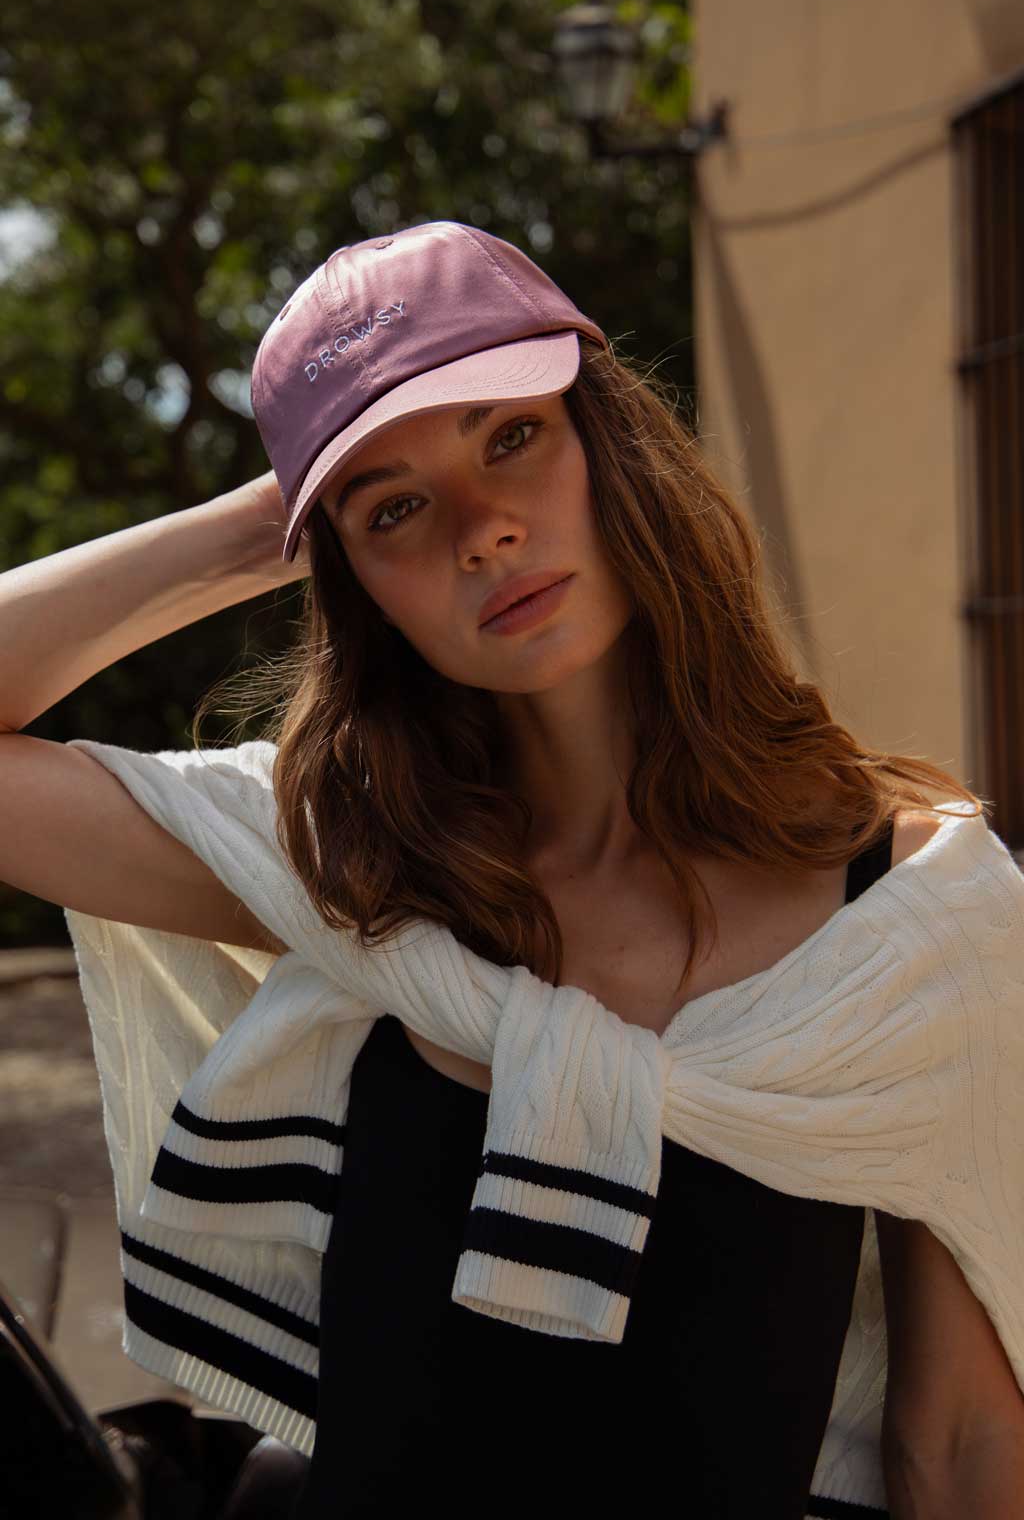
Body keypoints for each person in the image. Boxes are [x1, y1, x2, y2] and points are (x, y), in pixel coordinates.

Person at [2, 220, 1024, 1519]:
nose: (482, 531)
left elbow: (966, 1437)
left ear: (616, 444)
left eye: (512, 436)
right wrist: (275, 508)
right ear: (353, 578)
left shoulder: (922, 914)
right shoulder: (348, 857)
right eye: (399, 510)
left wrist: (367, 477)